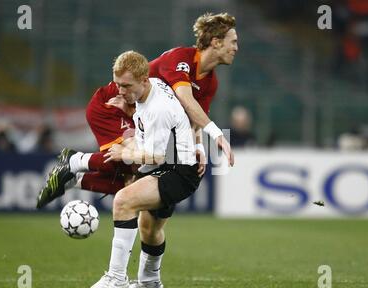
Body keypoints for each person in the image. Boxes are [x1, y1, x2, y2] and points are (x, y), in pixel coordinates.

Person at [36, 12, 237, 208]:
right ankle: (73, 160)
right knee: (130, 158)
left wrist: (199, 147)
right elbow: (185, 98)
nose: (236, 48)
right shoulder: (181, 58)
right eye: (233, 41)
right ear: (216, 42)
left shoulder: (210, 83)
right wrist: (217, 135)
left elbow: (192, 117)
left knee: (135, 179)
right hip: (111, 105)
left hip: (137, 115)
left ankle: (72, 180)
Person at [82, 51, 200, 288]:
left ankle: (116, 278)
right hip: (170, 165)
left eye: (126, 86)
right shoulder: (151, 88)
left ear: (144, 80)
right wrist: (128, 145)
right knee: (149, 228)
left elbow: (155, 156)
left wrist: (123, 153)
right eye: (117, 85)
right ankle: (150, 282)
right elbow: (148, 141)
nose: (121, 91)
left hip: (177, 171)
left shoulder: (158, 108)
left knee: (123, 201)